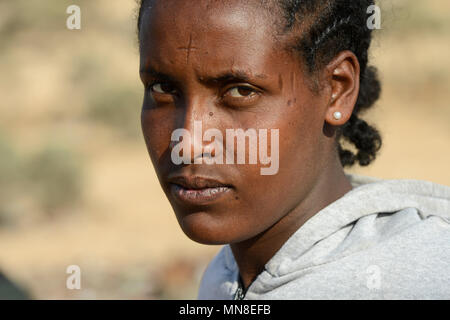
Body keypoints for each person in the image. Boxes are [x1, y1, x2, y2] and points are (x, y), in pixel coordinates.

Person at [136, 0, 450, 299]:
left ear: (337, 89)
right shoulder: (224, 274)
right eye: (163, 88)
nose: (189, 143)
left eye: (240, 91)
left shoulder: (422, 275)